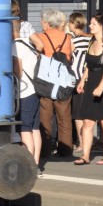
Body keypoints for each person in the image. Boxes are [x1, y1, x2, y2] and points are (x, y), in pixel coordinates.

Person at [75, 11, 103, 165]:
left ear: (102, 26)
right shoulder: (91, 42)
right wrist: (82, 80)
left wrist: (101, 87)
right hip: (91, 84)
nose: (90, 26)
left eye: (94, 24)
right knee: (88, 122)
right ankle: (85, 155)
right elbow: (89, 65)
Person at [32, 8, 74, 158]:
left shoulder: (40, 37)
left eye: (42, 21)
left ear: (47, 23)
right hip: (63, 81)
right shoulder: (67, 37)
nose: (41, 23)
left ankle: (44, 150)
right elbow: (70, 56)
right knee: (64, 118)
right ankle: (65, 150)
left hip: (46, 81)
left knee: (45, 117)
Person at [12, 19, 42, 170]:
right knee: (35, 128)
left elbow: (18, 71)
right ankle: (36, 163)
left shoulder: (15, 46)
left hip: (24, 92)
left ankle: (29, 165)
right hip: (35, 91)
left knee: (24, 130)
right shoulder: (29, 45)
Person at [67, 11, 91, 153]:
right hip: (89, 78)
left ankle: (82, 143)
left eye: (70, 23)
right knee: (88, 111)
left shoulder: (74, 41)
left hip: (77, 78)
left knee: (78, 113)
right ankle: (89, 141)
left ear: (73, 24)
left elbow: (69, 58)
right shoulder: (90, 39)